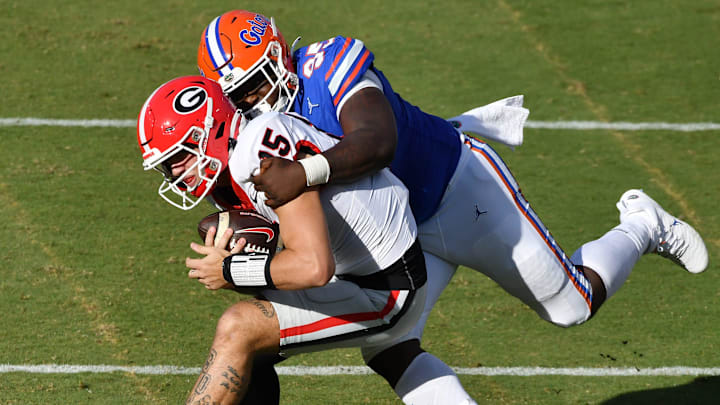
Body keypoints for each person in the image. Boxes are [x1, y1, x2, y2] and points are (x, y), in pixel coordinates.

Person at [195, 9, 710, 405]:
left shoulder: (328, 65)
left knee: (571, 306)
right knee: (389, 346)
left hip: (458, 191)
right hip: (400, 236)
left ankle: (643, 225)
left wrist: (302, 173)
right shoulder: (259, 132)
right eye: (242, 94)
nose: (259, 100)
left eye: (261, 80)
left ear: (280, 52)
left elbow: (377, 141)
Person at [137, 75, 439, 404]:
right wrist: (240, 265)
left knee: (239, 328)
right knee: (250, 352)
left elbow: (312, 267)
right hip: (350, 268)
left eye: (179, 156)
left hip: (388, 286)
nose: (176, 173)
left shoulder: (258, 152)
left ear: (211, 131)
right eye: (167, 166)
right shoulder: (229, 169)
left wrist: (229, 270)